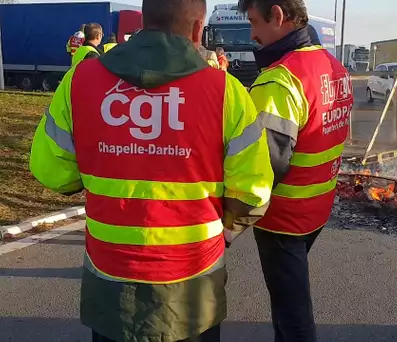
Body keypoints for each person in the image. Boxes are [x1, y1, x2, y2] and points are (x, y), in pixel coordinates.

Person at [29, 0, 274, 341]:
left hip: (111, 282)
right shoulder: (226, 92)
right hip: (194, 283)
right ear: (197, 29)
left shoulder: (79, 82)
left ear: (145, 20)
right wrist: (224, 230)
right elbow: (253, 193)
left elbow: (50, 170)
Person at [237, 0, 353, 340]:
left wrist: (229, 220)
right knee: (288, 309)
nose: (252, 34)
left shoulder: (279, 80)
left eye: (254, 22)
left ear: (277, 15)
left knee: (293, 315)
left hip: (283, 216)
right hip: (317, 206)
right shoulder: (334, 67)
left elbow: (264, 166)